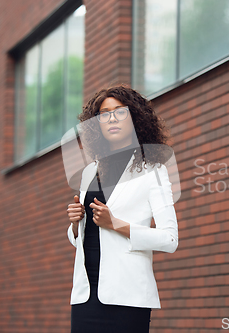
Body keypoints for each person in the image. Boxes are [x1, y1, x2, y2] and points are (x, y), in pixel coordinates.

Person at [66, 84, 178, 332]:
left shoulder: (154, 171)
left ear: (135, 119)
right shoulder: (89, 172)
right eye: (105, 113)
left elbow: (170, 239)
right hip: (86, 296)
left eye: (120, 111)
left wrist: (115, 223)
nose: (112, 118)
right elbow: (84, 238)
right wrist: (75, 224)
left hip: (128, 298)